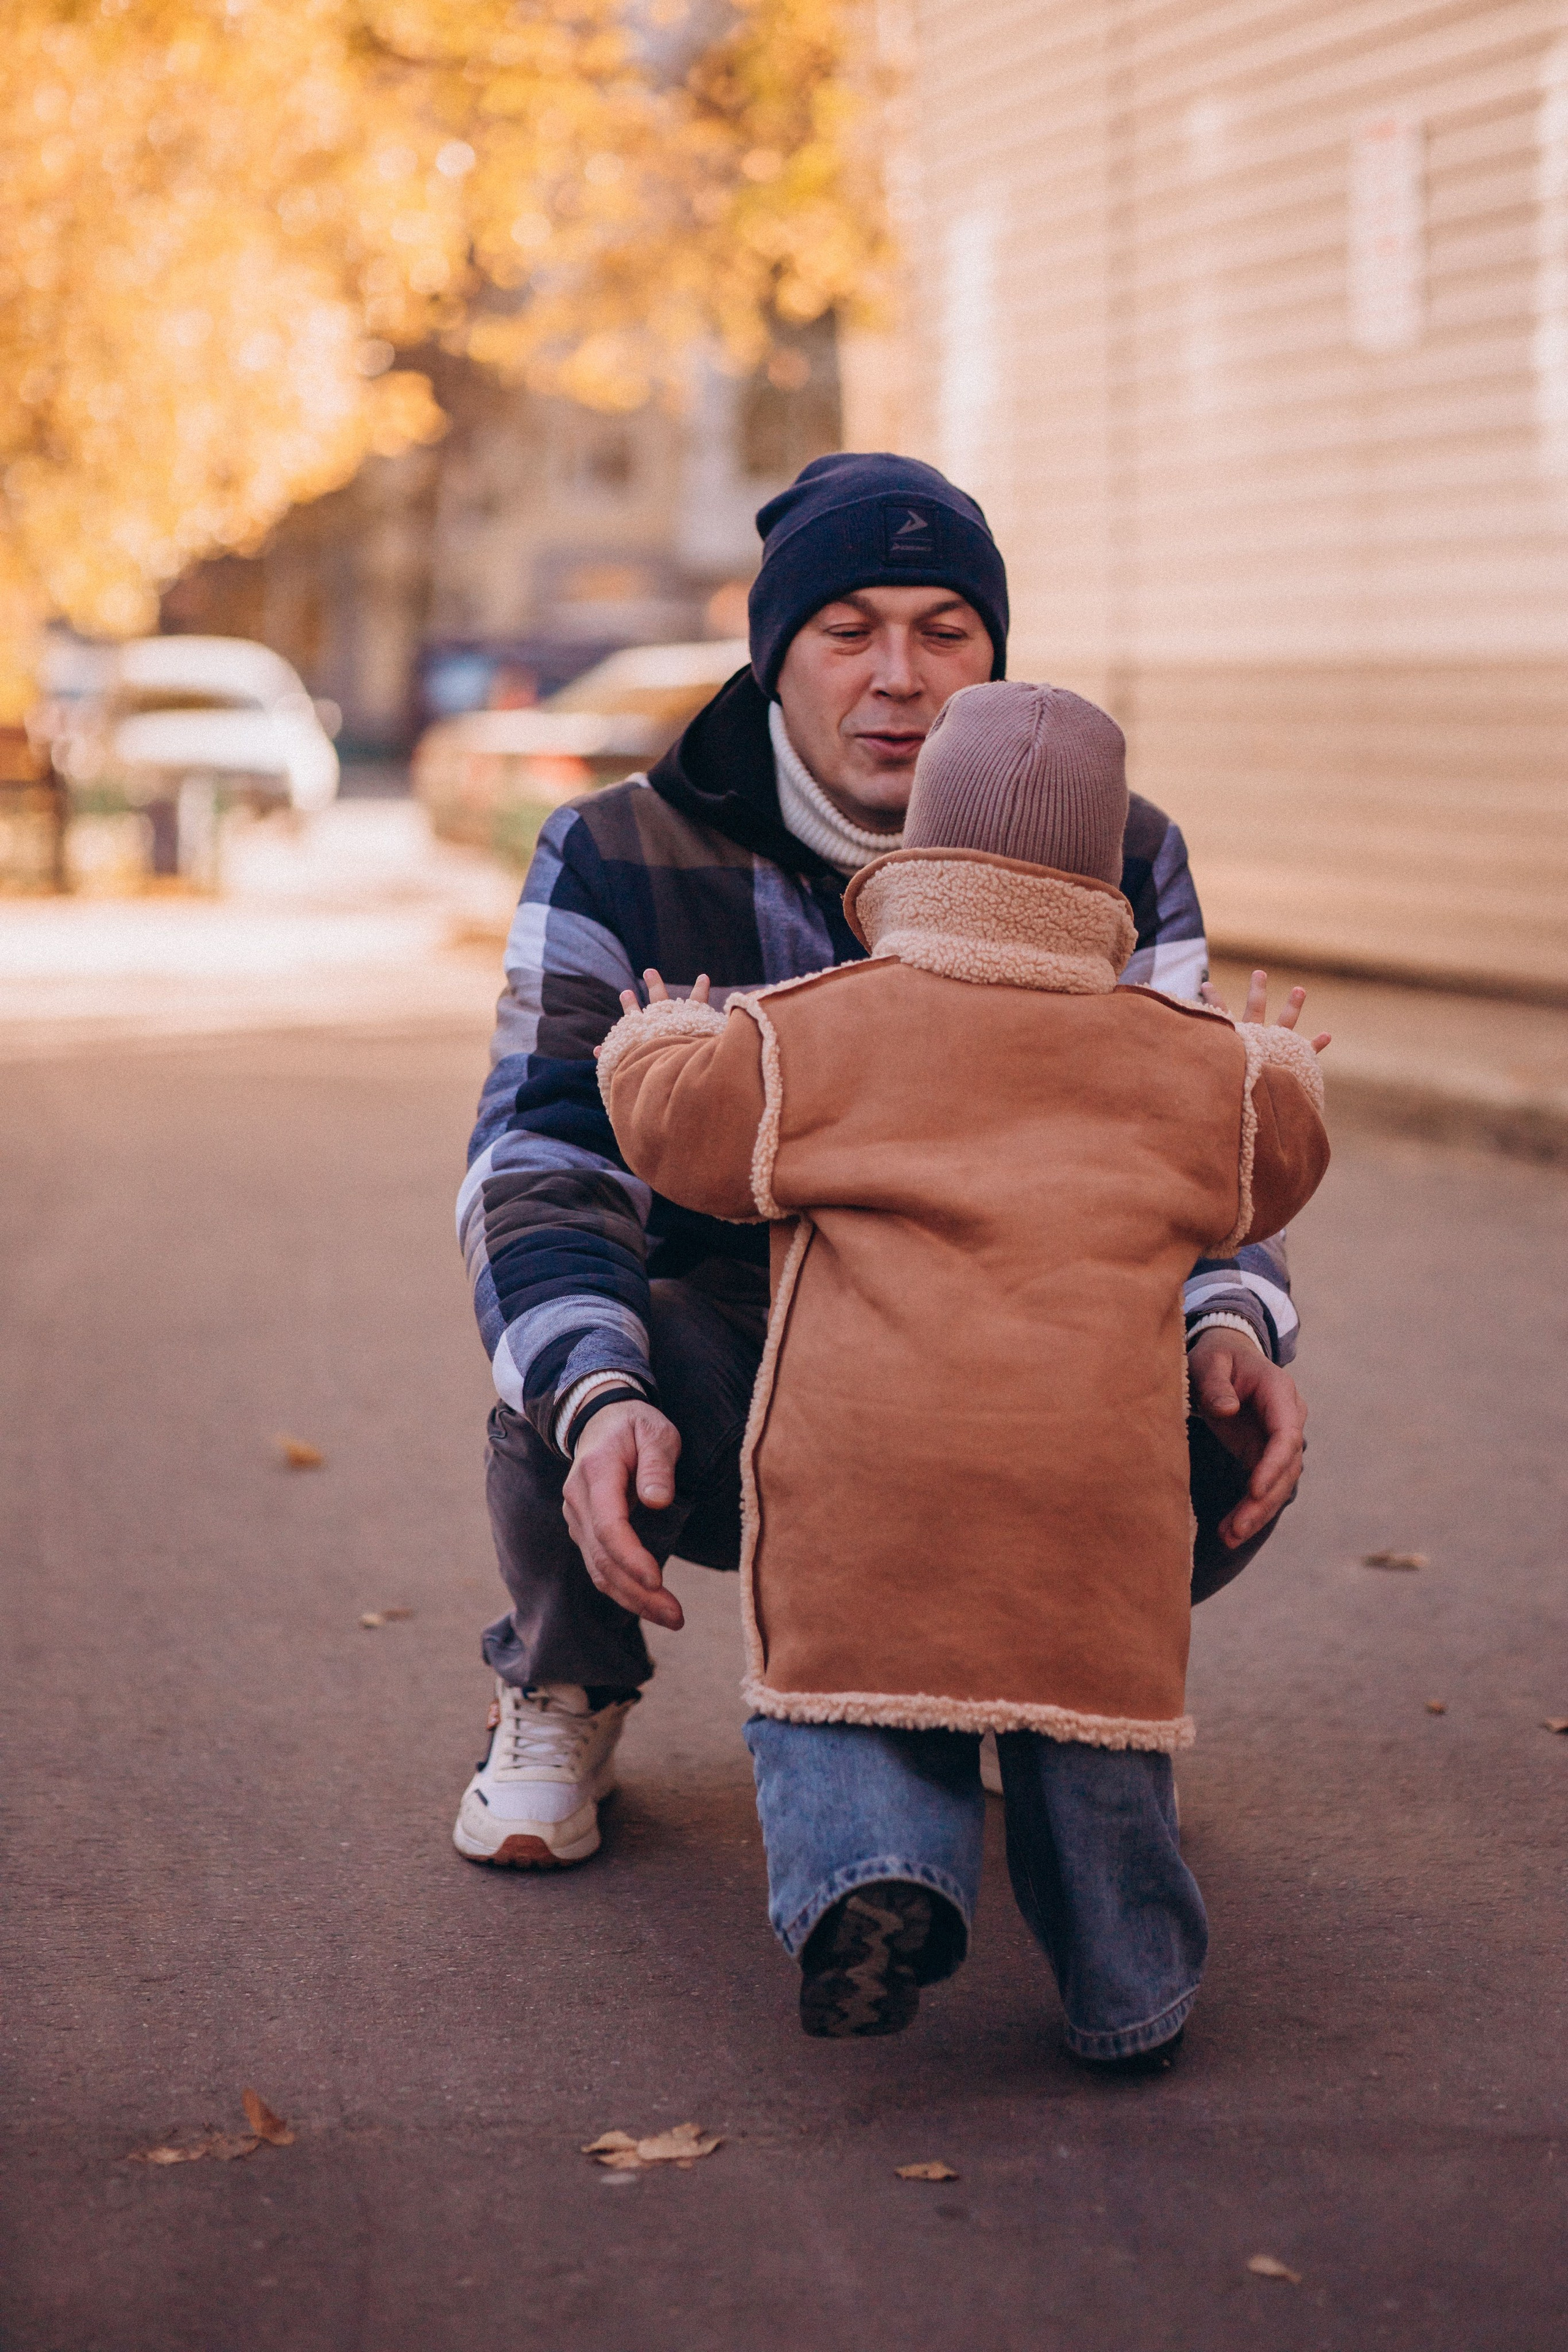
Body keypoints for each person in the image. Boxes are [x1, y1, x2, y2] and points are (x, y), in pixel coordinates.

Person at [452, 453, 1315, 1870]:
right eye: (847, 630)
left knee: (1215, 1408)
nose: (898, 675)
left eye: (943, 630)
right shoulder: (615, 850)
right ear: (774, 657)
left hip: (1027, 1360)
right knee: (577, 1366)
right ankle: (563, 1678)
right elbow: (541, 1153)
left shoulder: (1118, 851)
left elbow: (1191, 1138)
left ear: (991, 659)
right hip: (735, 1368)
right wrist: (595, 1390)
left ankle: (1001, 1679)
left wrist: (1231, 1317)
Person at [594, 680, 1330, 2062]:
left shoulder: (817, 1028)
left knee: (843, 1693)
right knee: (1091, 1732)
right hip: (1094, 1492)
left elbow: (679, 1133)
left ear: (921, 845)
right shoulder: (1184, 1070)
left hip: (865, 1471)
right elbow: (1272, 1164)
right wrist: (1275, 1060)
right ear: (1102, 876)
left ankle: (875, 1877)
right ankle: (1131, 1991)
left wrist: (659, 1036)